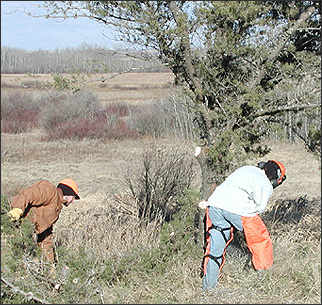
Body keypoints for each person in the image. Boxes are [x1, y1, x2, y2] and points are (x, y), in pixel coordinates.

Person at [199, 160, 286, 290]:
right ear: (275, 179)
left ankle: (208, 287)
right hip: (239, 210)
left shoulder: (246, 168)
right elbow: (259, 208)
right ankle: (265, 280)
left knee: (215, 249)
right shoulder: (266, 184)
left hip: (215, 205)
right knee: (261, 241)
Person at [7, 178, 80, 273]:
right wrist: (17, 209)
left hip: (21, 234)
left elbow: (45, 239)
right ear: (68, 192)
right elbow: (29, 193)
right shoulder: (50, 191)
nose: (72, 201)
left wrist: (50, 265)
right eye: (73, 197)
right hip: (11, 228)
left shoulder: (56, 209)